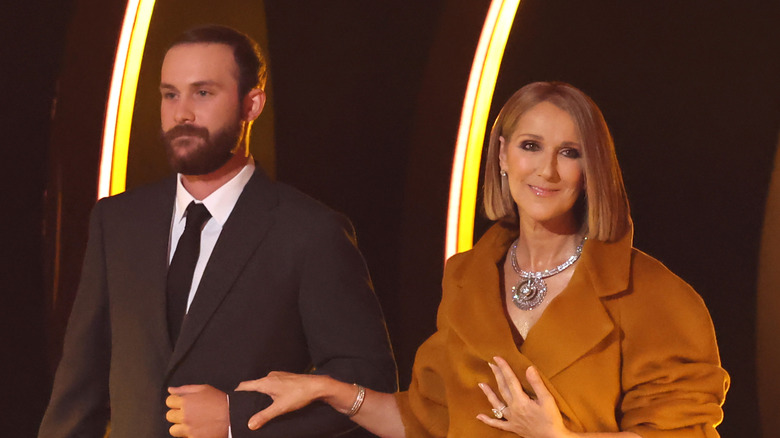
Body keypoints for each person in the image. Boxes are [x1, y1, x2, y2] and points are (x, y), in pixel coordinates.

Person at [234, 82, 729, 437]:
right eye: (531, 146)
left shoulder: (656, 298)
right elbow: (427, 421)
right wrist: (330, 390)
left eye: (570, 152)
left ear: (593, 167)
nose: (547, 170)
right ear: (501, 155)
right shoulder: (467, 278)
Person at [38, 25, 397, 438]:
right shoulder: (117, 222)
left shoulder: (311, 231)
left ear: (252, 104)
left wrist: (236, 416)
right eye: (170, 94)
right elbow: (78, 388)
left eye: (202, 93)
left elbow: (369, 383)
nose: (182, 113)